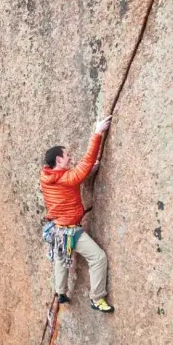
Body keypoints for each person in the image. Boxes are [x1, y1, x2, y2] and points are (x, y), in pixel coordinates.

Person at [40, 116, 114, 312]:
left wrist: (88, 172)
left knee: (61, 258)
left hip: (57, 229)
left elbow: (72, 179)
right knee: (98, 258)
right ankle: (97, 298)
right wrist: (97, 133)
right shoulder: (64, 178)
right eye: (67, 156)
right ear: (58, 160)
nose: (70, 158)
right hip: (69, 230)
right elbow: (81, 167)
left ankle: (60, 291)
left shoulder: (47, 177)